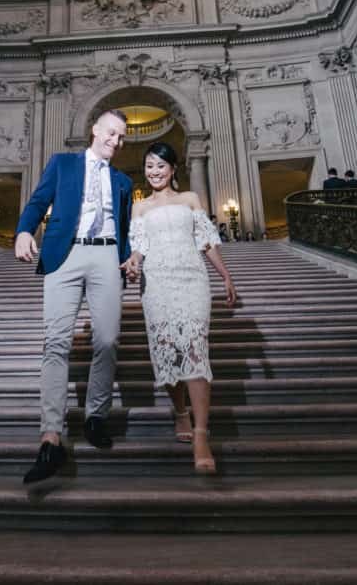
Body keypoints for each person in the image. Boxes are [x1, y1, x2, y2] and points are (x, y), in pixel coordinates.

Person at [15, 109, 133, 485]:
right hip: (64, 254)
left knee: (108, 339)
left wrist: (129, 257)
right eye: (112, 133)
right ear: (95, 129)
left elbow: (126, 226)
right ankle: (51, 437)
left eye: (122, 137)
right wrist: (23, 231)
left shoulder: (123, 181)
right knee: (55, 342)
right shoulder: (63, 164)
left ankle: (96, 416)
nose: (117, 141)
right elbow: (38, 201)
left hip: (106, 255)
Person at [122, 142, 237, 474]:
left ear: (173, 169)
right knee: (168, 351)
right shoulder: (139, 207)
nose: (154, 172)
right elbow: (139, 247)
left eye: (160, 165)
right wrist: (132, 262)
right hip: (156, 283)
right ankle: (180, 412)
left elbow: (206, 241)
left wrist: (226, 276)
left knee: (196, 349)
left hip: (192, 280)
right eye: (149, 166)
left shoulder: (190, 199)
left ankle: (201, 434)